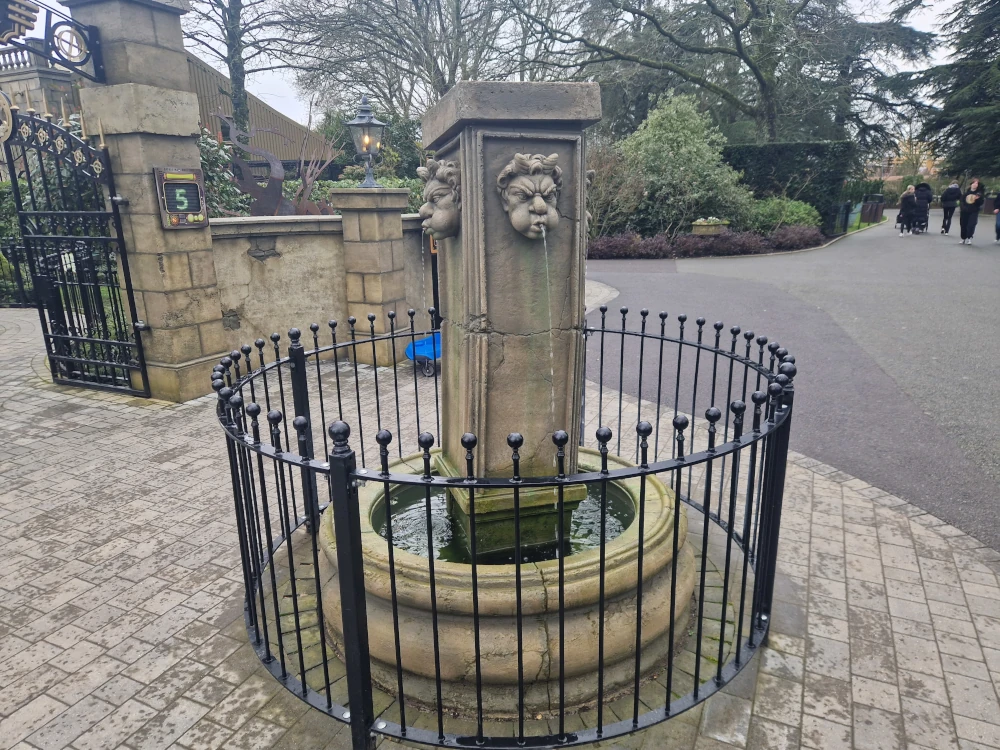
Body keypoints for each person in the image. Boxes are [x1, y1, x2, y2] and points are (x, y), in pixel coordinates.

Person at [959, 178, 986, 244]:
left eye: (976, 183)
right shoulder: (966, 193)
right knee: (963, 224)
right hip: (964, 211)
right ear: (971, 184)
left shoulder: (979, 194)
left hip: (973, 211)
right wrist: (963, 208)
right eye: (973, 183)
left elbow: (980, 203)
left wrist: (977, 199)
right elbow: (961, 201)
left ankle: (969, 237)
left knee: (971, 224)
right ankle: (963, 238)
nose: (975, 184)